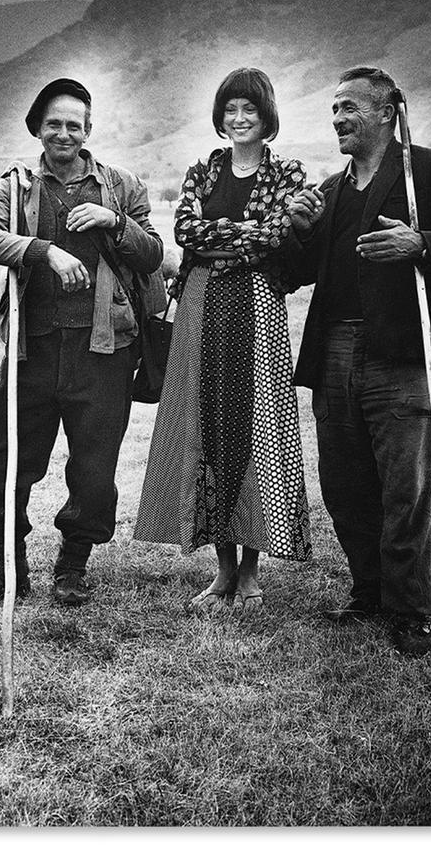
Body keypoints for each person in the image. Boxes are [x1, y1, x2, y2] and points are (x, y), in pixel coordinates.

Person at [285, 65, 431, 656]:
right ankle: (369, 591)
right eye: (334, 109)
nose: (338, 119)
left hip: (401, 349)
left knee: (406, 486)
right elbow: (300, 275)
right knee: (345, 484)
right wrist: (300, 233)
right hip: (335, 350)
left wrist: (420, 244)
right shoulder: (328, 191)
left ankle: (411, 607)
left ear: (384, 111)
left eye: (349, 107)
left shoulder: (427, 167)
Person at [0, 78, 164, 608]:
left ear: (88, 130)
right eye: (54, 124)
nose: (64, 133)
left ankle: (72, 568)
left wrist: (115, 223)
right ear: (38, 129)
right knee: (2, 462)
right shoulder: (18, 186)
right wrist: (42, 250)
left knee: (94, 469)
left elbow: (152, 253)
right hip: (32, 351)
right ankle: (8, 572)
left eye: (74, 124)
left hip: (105, 353)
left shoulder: (121, 186)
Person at [134, 67, 312, 611]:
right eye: (230, 111)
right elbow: (186, 230)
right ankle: (222, 570)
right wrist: (247, 236)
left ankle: (252, 570)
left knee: (256, 426)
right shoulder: (204, 170)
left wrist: (235, 239)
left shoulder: (287, 173)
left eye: (249, 112)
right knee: (203, 425)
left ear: (266, 119)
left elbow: (276, 237)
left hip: (258, 307)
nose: (238, 120)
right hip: (201, 303)